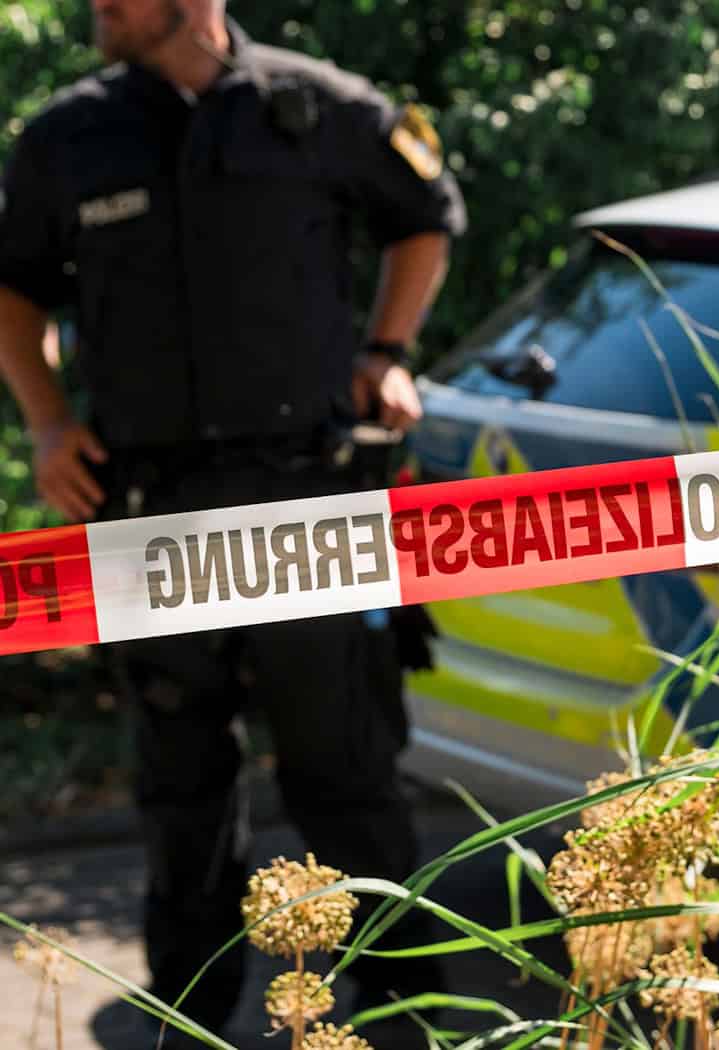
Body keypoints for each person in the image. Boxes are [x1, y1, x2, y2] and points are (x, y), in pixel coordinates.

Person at [0, 0, 466, 1044]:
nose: (99, 5)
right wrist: (47, 424)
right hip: (150, 511)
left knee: (348, 778)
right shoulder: (66, 136)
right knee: (181, 795)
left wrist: (387, 353)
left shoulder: (321, 107)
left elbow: (425, 217)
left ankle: (405, 1019)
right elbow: (12, 290)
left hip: (308, 503)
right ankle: (192, 1023)